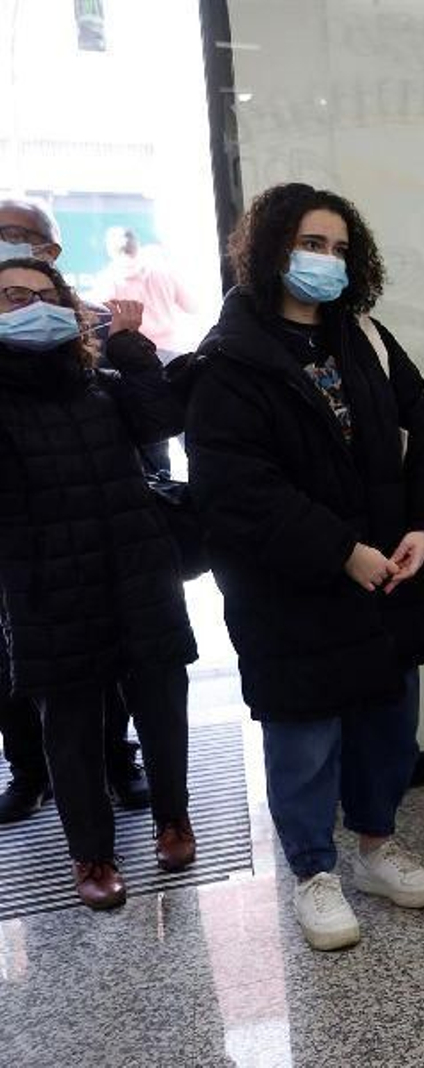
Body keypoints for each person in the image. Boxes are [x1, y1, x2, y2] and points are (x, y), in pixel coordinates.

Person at [185, 183, 424, 951]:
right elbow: (237, 489)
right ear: (269, 251)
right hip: (291, 591)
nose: (325, 262)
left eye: (337, 248)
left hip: (389, 577)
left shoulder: (365, 337)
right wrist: (341, 550)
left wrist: (422, 526)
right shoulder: (228, 361)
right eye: (310, 245)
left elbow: (422, 432)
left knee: (387, 725)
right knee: (304, 738)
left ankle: (376, 848)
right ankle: (313, 872)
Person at [0, 257, 197, 908]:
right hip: (48, 587)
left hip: (137, 568)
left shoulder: (103, 382)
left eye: (41, 293)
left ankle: (174, 817)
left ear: (67, 304)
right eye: (9, 297)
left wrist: (132, 346)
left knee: (164, 704)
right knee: (71, 728)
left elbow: (161, 420)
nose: (28, 305)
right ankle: (91, 856)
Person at [0, 197, 153, 821]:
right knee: (14, 667)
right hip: (16, 536)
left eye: (20, 235)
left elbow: (142, 422)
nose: (9, 245)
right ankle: (29, 772)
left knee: (106, 662)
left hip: (94, 519)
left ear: (52, 250)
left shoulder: (83, 320)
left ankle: (120, 762)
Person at [91, 226, 199, 352]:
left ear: (110, 250)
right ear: (137, 245)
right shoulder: (165, 272)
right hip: (171, 352)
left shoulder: (106, 280)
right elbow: (192, 307)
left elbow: (98, 322)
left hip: (135, 354)